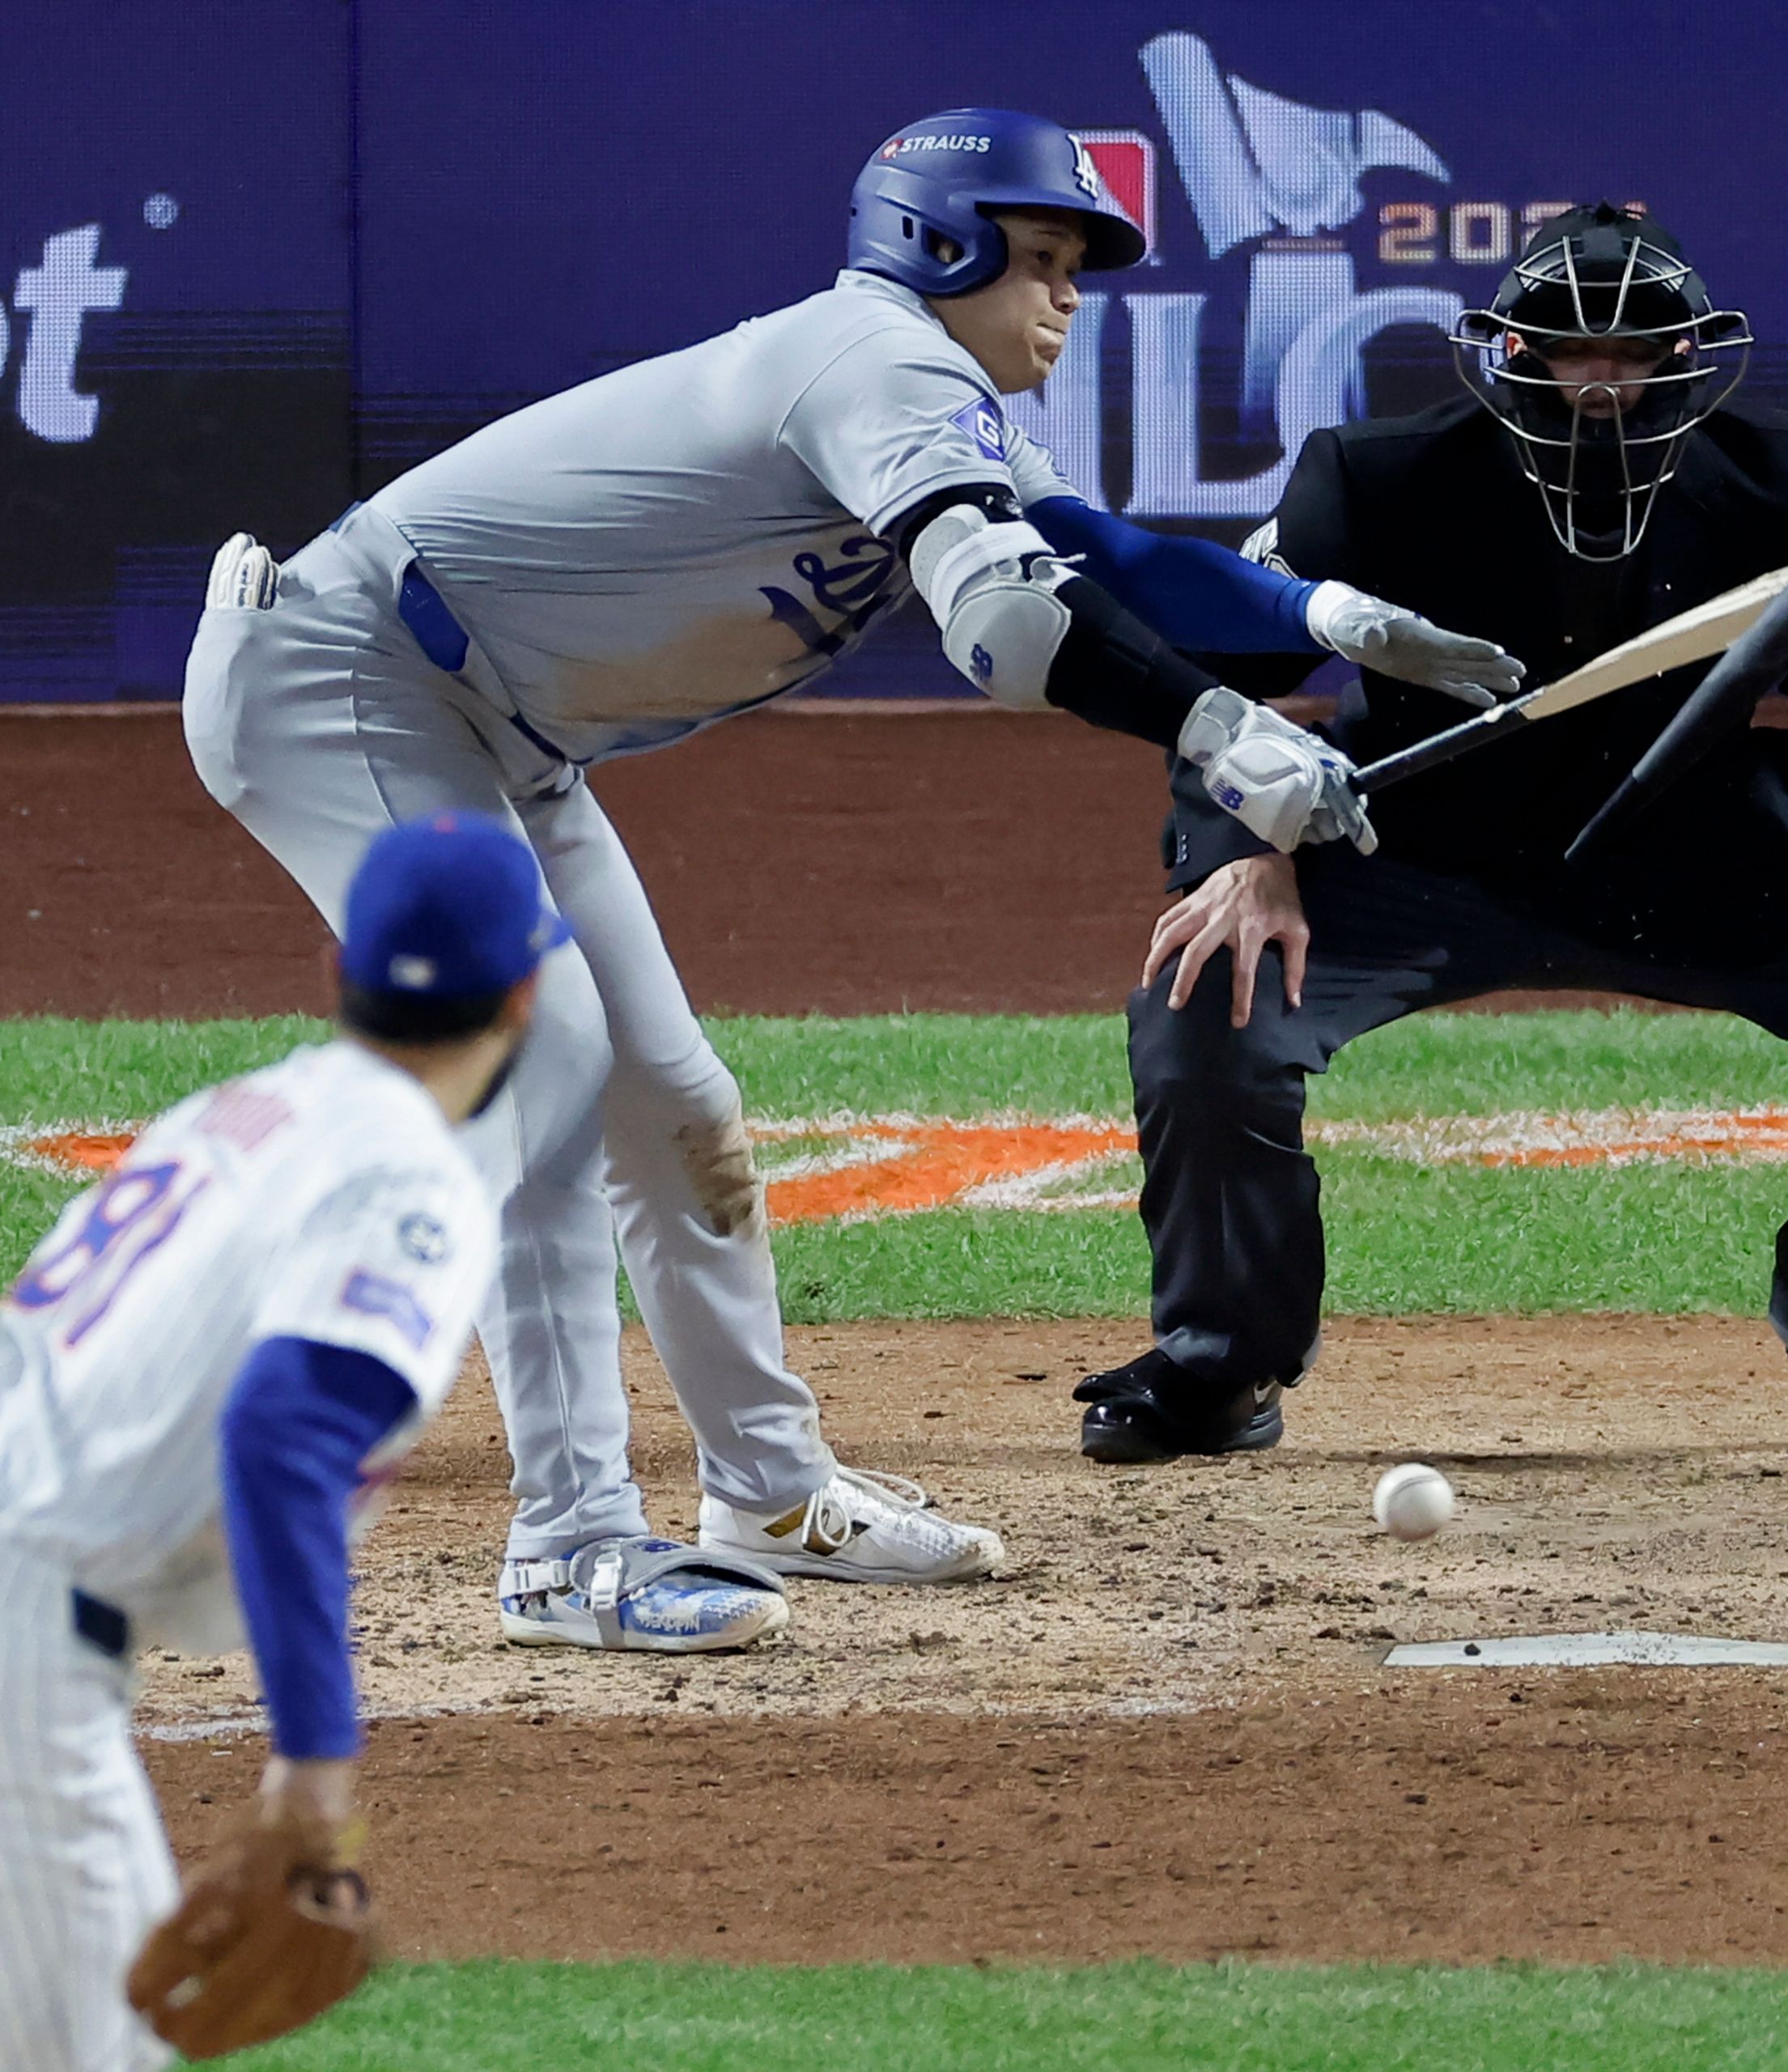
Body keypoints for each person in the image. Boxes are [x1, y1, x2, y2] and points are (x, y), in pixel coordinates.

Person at [180, 108, 1515, 1654]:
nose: (1068, 294)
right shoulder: (875, 359)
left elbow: (1094, 560)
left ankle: (767, 1489)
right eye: (1040, 256)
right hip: (344, 675)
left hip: (495, 729)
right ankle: (568, 1548)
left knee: (673, 1105)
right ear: (936, 245)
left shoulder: (944, 398)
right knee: (543, 1064)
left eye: (1078, 264)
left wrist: (1326, 613)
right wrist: (1223, 733)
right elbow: (1013, 636)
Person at [1076, 203, 1788, 1463]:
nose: (1599, 386)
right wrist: (1243, 852)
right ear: (1504, 353)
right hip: (1418, 847)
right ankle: (1219, 1369)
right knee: (1208, 994)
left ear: (1692, 358)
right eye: (1566, 353)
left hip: (1697, 849)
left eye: (1634, 355)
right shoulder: (1374, 479)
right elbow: (1221, 686)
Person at [0, 816, 588, 2069]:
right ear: (526, 996)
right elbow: (281, 1433)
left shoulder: (241, 1112)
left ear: (336, 973)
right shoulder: (414, 1186)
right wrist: (317, 1766)